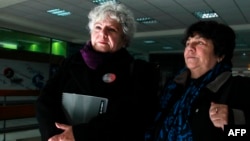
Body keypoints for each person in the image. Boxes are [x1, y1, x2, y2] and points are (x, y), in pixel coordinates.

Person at [36, 2, 160, 141]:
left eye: (111, 29)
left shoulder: (139, 71)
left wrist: (78, 134)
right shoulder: (69, 63)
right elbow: (46, 101)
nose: (103, 33)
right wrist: (55, 136)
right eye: (98, 27)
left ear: (124, 38)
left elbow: (133, 117)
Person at [145, 20, 250, 141]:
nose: (190, 47)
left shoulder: (239, 88)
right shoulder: (173, 87)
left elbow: (244, 133)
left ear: (220, 55)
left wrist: (234, 121)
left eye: (200, 43)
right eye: (188, 43)